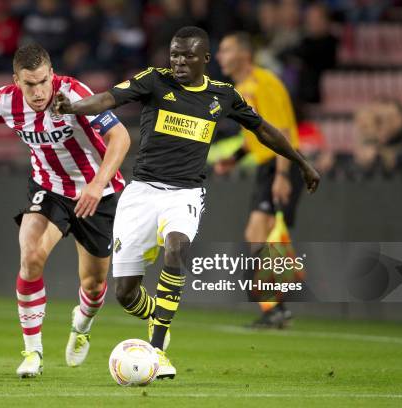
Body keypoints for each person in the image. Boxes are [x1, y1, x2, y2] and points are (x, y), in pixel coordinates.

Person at [54, 26, 320, 379]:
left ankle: (159, 348)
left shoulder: (222, 95)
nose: (179, 61)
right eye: (175, 54)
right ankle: (155, 314)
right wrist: (73, 107)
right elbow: (108, 99)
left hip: (185, 194)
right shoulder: (154, 81)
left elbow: (264, 129)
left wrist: (301, 162)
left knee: (177, 249)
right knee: (125, 292)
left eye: (187, 55)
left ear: (205, 60)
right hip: (141, 194)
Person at [0, 43, 130, 378]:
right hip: (48, 188)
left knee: (95, 284)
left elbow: (121, 137)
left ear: (52, 74)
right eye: (30, 84)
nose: (39, 92)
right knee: (31, 255)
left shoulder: (74, 93)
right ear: (16, 80)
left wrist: (97, 184)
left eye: (43, 81)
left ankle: (81, 325)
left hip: (97, 192)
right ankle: (32, 353)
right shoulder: (4, 100)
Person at [215, 31, 304, 328]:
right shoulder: (242, 87)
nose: (219, 56)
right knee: (260, 238)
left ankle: (276, 305)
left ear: (244, 54)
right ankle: (275, 307)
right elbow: (257, 135)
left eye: (226, 50)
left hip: (283, 164)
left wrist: (282, 175)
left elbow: (283, 132)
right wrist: (236, 157)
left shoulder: (264, 82)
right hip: (268, 167)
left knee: (261, 236)